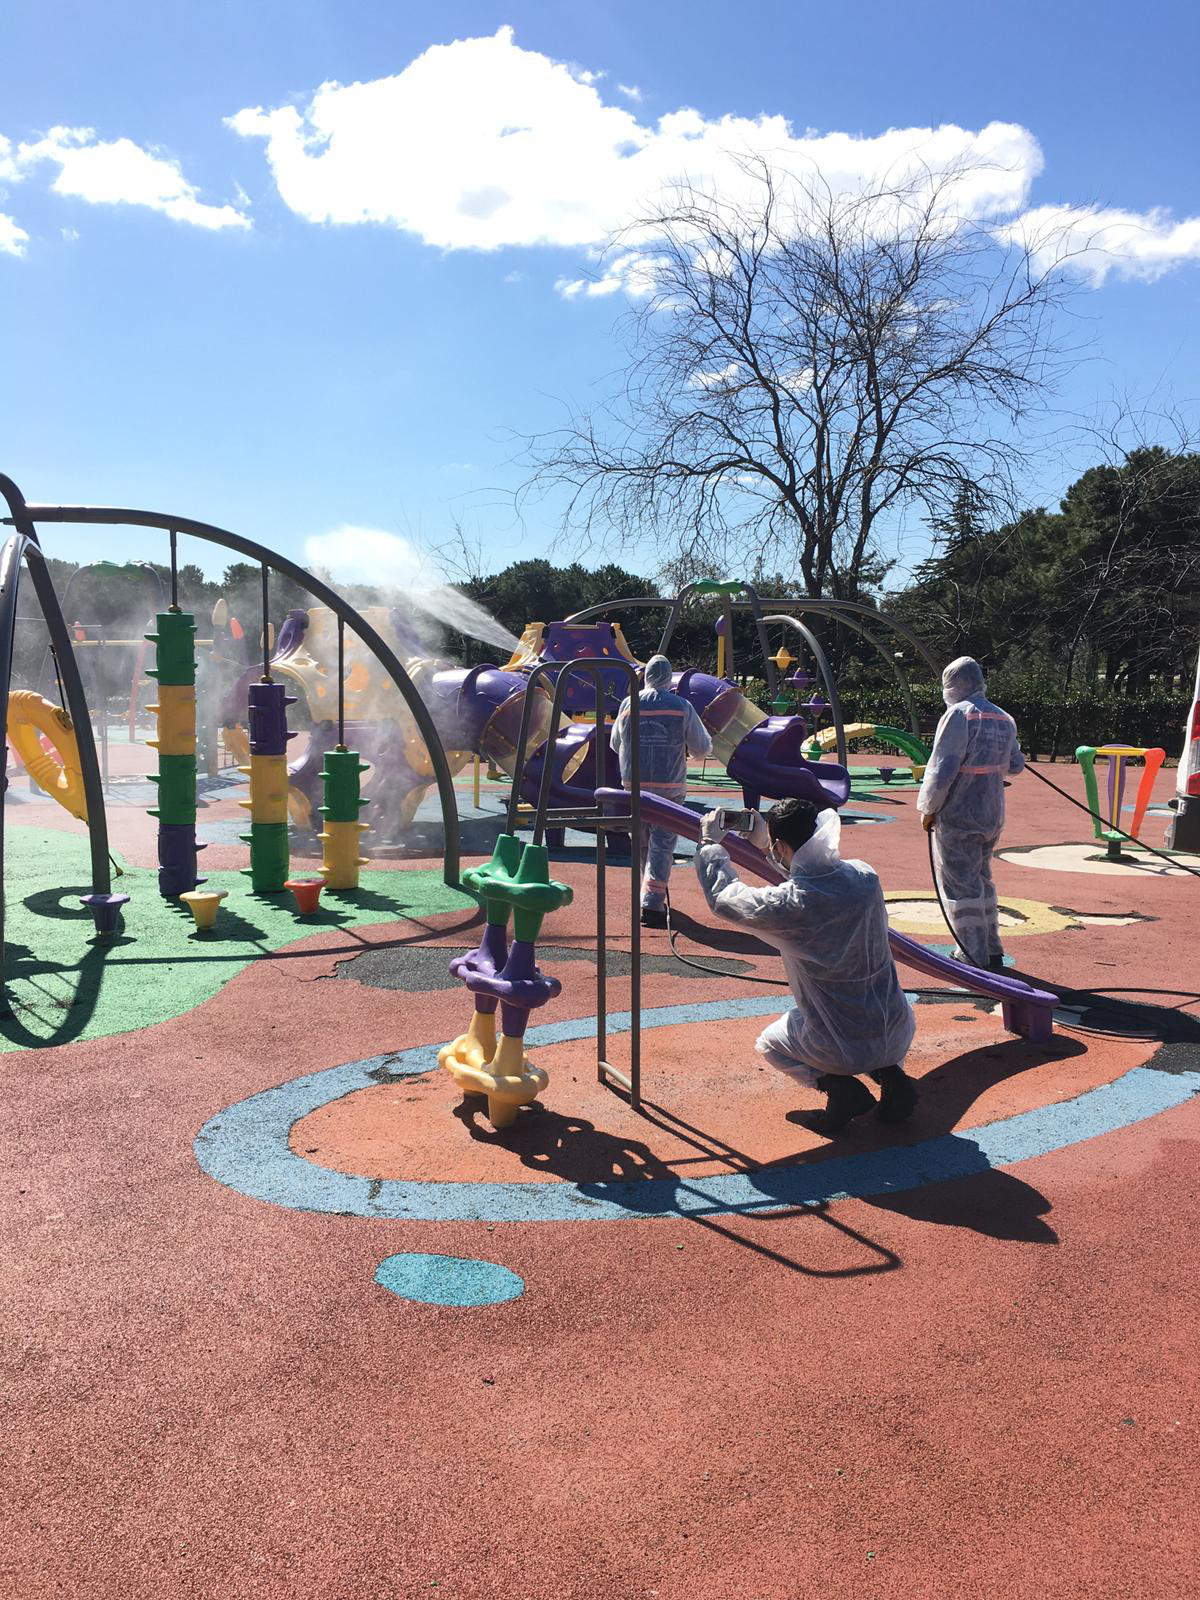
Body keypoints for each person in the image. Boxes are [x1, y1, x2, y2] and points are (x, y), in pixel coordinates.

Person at [694, 796, 918, 1135]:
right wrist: (767, 846)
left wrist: (710, 844)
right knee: (866, 1027)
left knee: (770, 1044)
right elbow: (818, 874)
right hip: (897, 1027)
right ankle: (892, 1076)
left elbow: (726, 900)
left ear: (782, 846)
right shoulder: (864, 877)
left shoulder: (791, 906)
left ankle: (840, 1090)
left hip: (841, 1046)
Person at [917, 657, 1025, 971]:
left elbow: (942, 769)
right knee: (982, 879)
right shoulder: (1003, 717)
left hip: (959, 814)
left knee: (960, 885)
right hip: (991, 813)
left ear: (955, 684)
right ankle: (991, 948)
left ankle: (971, 952)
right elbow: (1016, 764)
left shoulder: (958, 715)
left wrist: (928, 808)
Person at [610, 654, 713, 928]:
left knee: (641, 843)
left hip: (633, 787)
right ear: (669, 677)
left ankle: (646, 893)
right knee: (662, 846)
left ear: (646, 677)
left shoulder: (628, 704)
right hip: (670, 788)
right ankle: (652, 903)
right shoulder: (681, 706)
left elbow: (615, 743)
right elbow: (702, 747)